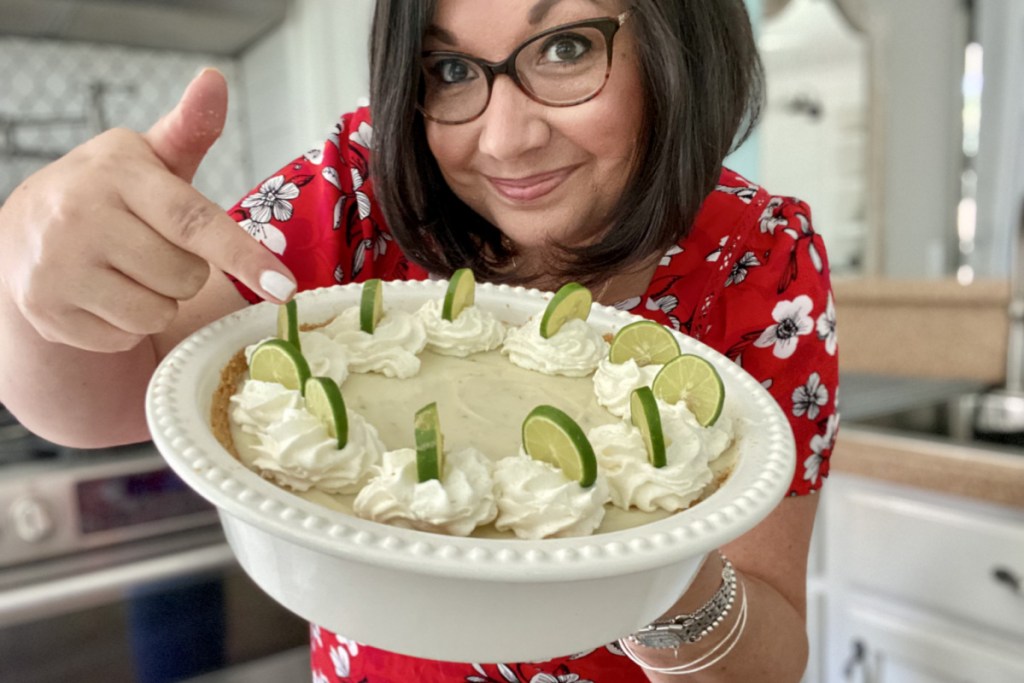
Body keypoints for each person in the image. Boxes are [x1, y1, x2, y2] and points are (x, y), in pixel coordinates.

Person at [0, 0, 839, 680]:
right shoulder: (362, 189)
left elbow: (768, 663)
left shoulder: (762, 259)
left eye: (567, 48)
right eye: (449, 70)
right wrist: (27, 267)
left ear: (678, 39)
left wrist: (653, 556)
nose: (505, 138)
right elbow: (107, 398)